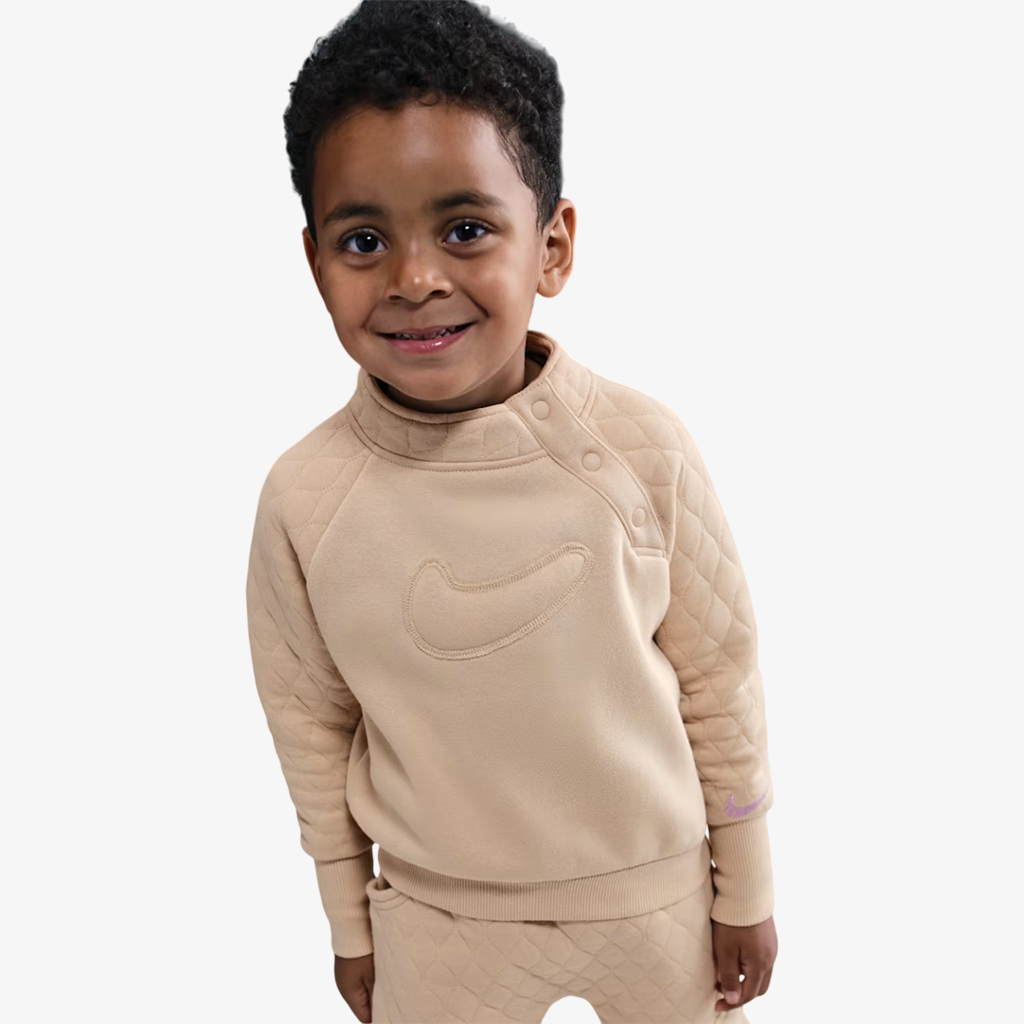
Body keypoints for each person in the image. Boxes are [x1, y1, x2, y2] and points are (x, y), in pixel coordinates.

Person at [245, 2, 778, 1021]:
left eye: (465, 229)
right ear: (315, 263)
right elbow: (310, 728)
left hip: (657, 906)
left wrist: (744, 885)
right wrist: (349, 923)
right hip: (438, 919)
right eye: (364, 239)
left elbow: (720, 680)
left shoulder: (642, 449)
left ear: (552, 245)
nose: (414, 279)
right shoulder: (306, 499)